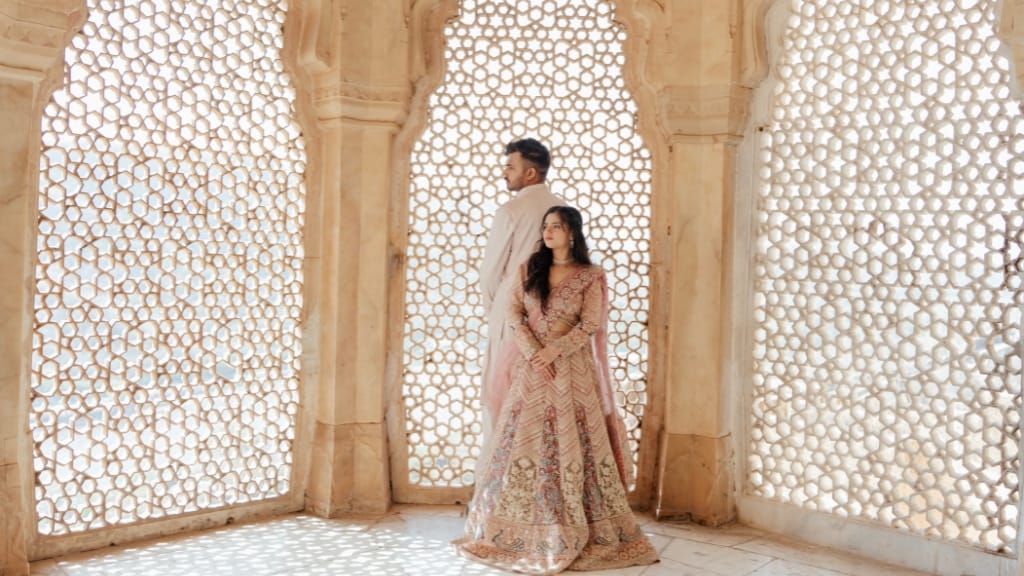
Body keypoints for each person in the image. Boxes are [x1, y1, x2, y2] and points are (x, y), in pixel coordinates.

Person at [455, 206, 659, 575]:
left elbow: (591, 324)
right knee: (522, 440)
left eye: (557, 226)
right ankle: (517, 526)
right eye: (546, 226)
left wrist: (555, 350)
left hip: (572, 372)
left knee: (572, 439)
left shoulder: (590, 276)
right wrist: (535, 351)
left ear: (573, 233)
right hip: (531, 370)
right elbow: (514, 313)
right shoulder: (528, 269)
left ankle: (576, 524)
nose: (549, 232)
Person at [479, 138, 565, 439]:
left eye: (510, 166)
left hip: (510, 312)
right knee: (543, 397)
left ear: (530, 174)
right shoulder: (564, 211)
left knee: (501, 396)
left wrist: (496, 311)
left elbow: (491, 273)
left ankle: (498, 478)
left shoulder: (511, 211)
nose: (504, 173)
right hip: (554, 317)